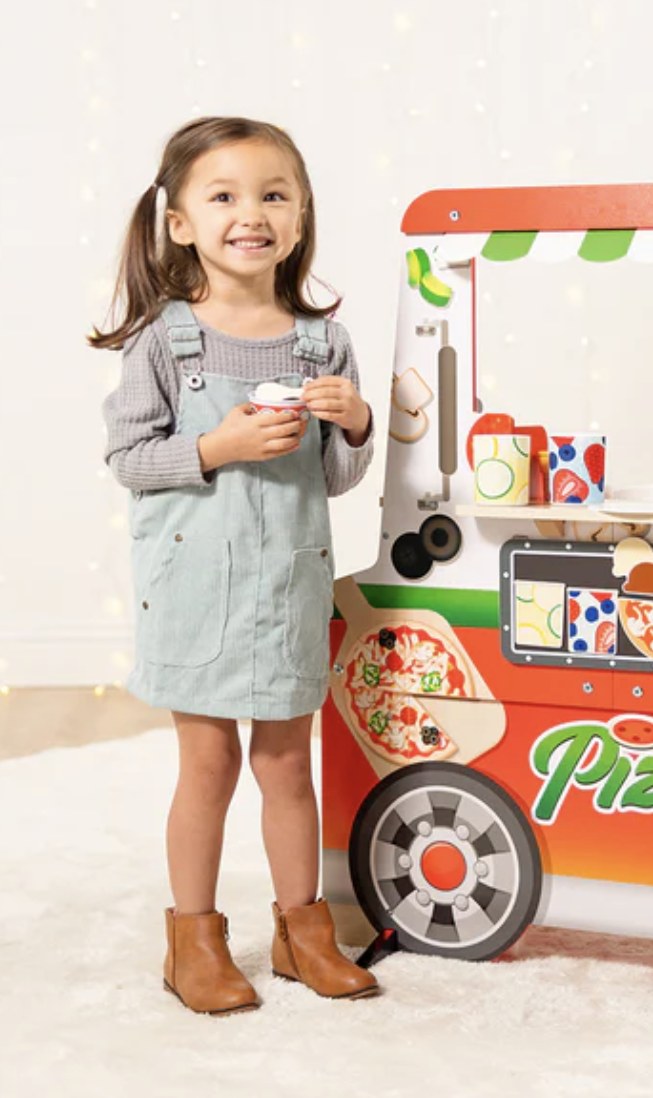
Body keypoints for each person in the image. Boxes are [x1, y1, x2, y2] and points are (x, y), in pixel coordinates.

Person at [93, 116, 379, 1014]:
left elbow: (332, 479)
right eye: (223, 196)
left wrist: (356, 424)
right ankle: (194, 941)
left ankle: (303, 932)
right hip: (196, 590)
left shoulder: (322, 344)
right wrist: (215, 447)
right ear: (180, 223)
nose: (250, 213)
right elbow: (129, 460)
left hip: (287, 585)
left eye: (273, 195)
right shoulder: (164, 341)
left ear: (299, 218)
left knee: (288, 764)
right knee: (208, 762)